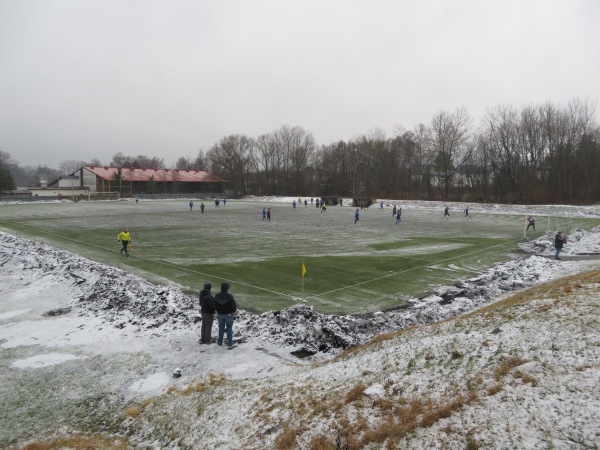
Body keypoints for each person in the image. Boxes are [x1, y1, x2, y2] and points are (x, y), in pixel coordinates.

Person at [214, 282, 237, 348]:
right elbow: (234, 306)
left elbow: (214, 305)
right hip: (229, 314)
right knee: (229, 328)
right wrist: (233, 311)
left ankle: (220, 342)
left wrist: (218, 311)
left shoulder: (217, 296)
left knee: (221, 328)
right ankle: (230, 343)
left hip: (220, 314)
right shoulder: (229, 296)